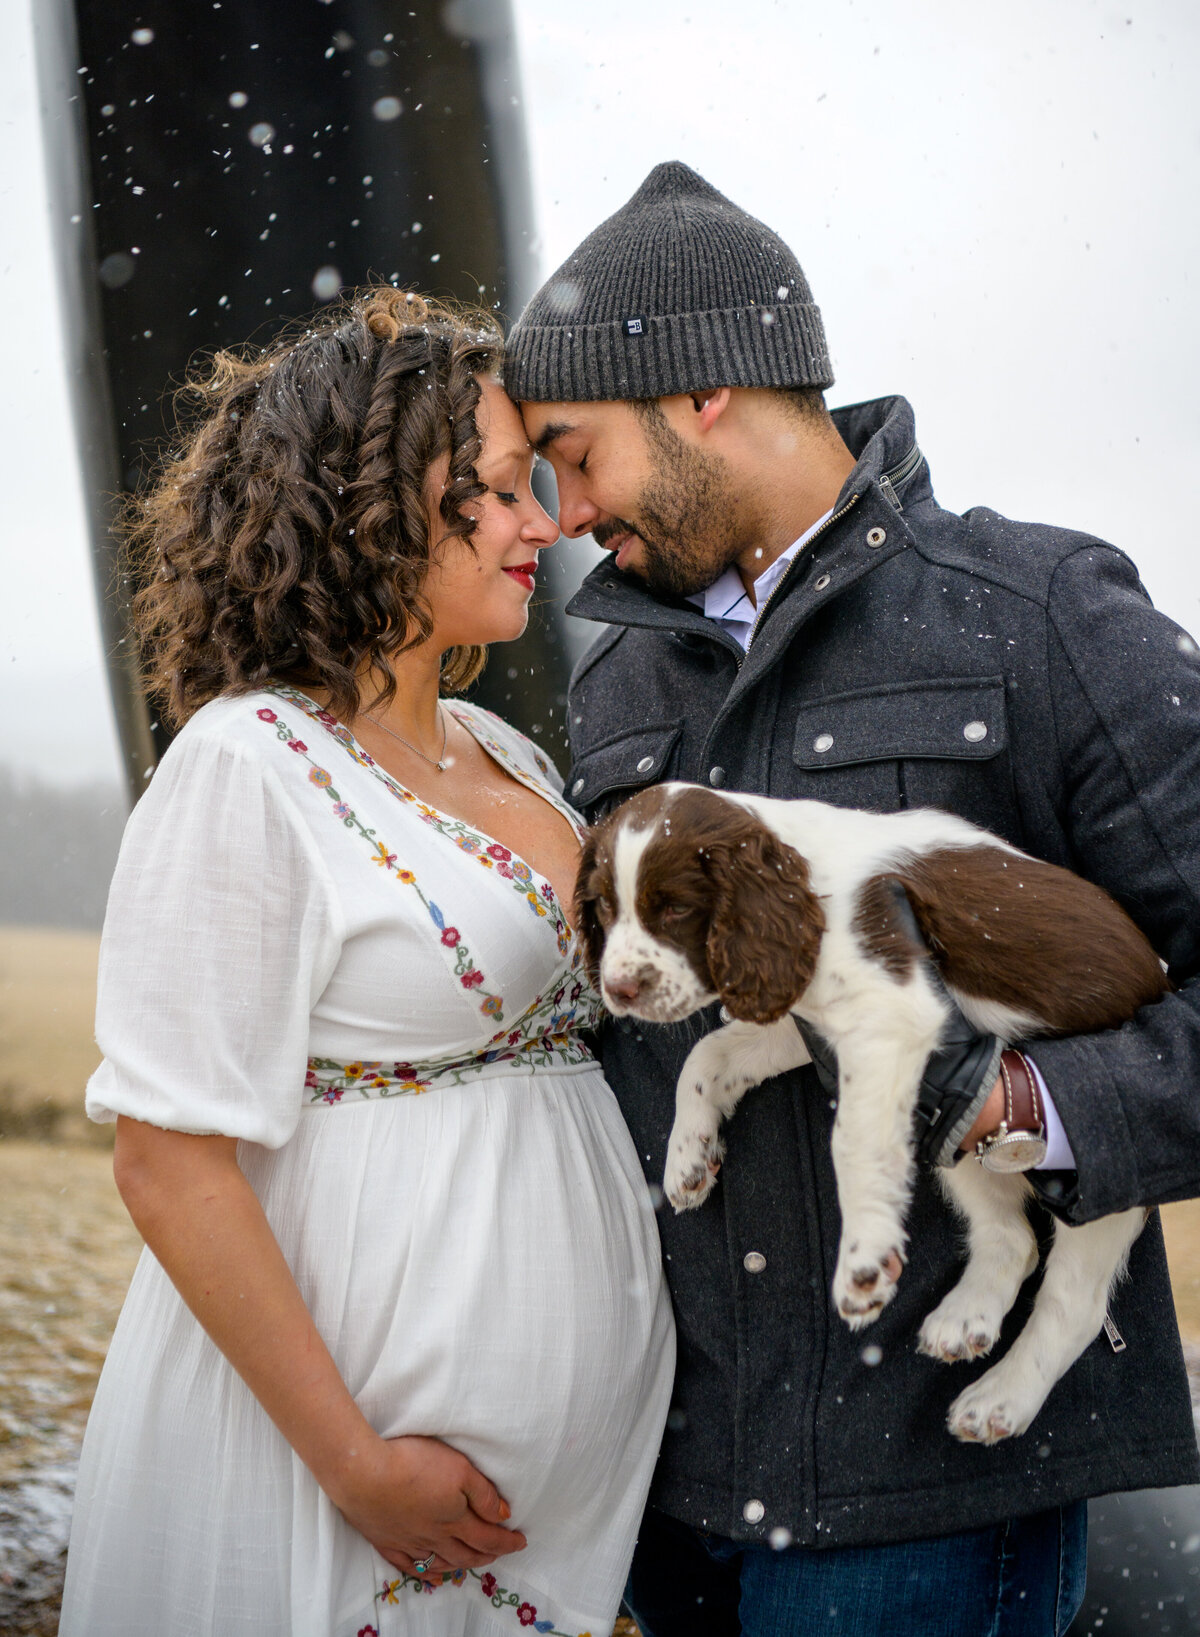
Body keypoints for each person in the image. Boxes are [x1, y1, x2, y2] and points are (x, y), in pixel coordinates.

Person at [503, 161, 1200, 1637]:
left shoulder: (1041, 616)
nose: (561, 513)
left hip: (928, 1495)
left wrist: (1026, 1105)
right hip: (667, 1477)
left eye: (574, 453)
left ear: (700, 394)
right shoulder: (619, 677)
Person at [59, 286, 674, 1637]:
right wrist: (354, 1460)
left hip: (548, 1518)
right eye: (499, 492)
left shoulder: (503, 750)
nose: (544, 523)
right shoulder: (245, 765)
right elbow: (169, 1160)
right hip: (334, 1481)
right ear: (375, 506)